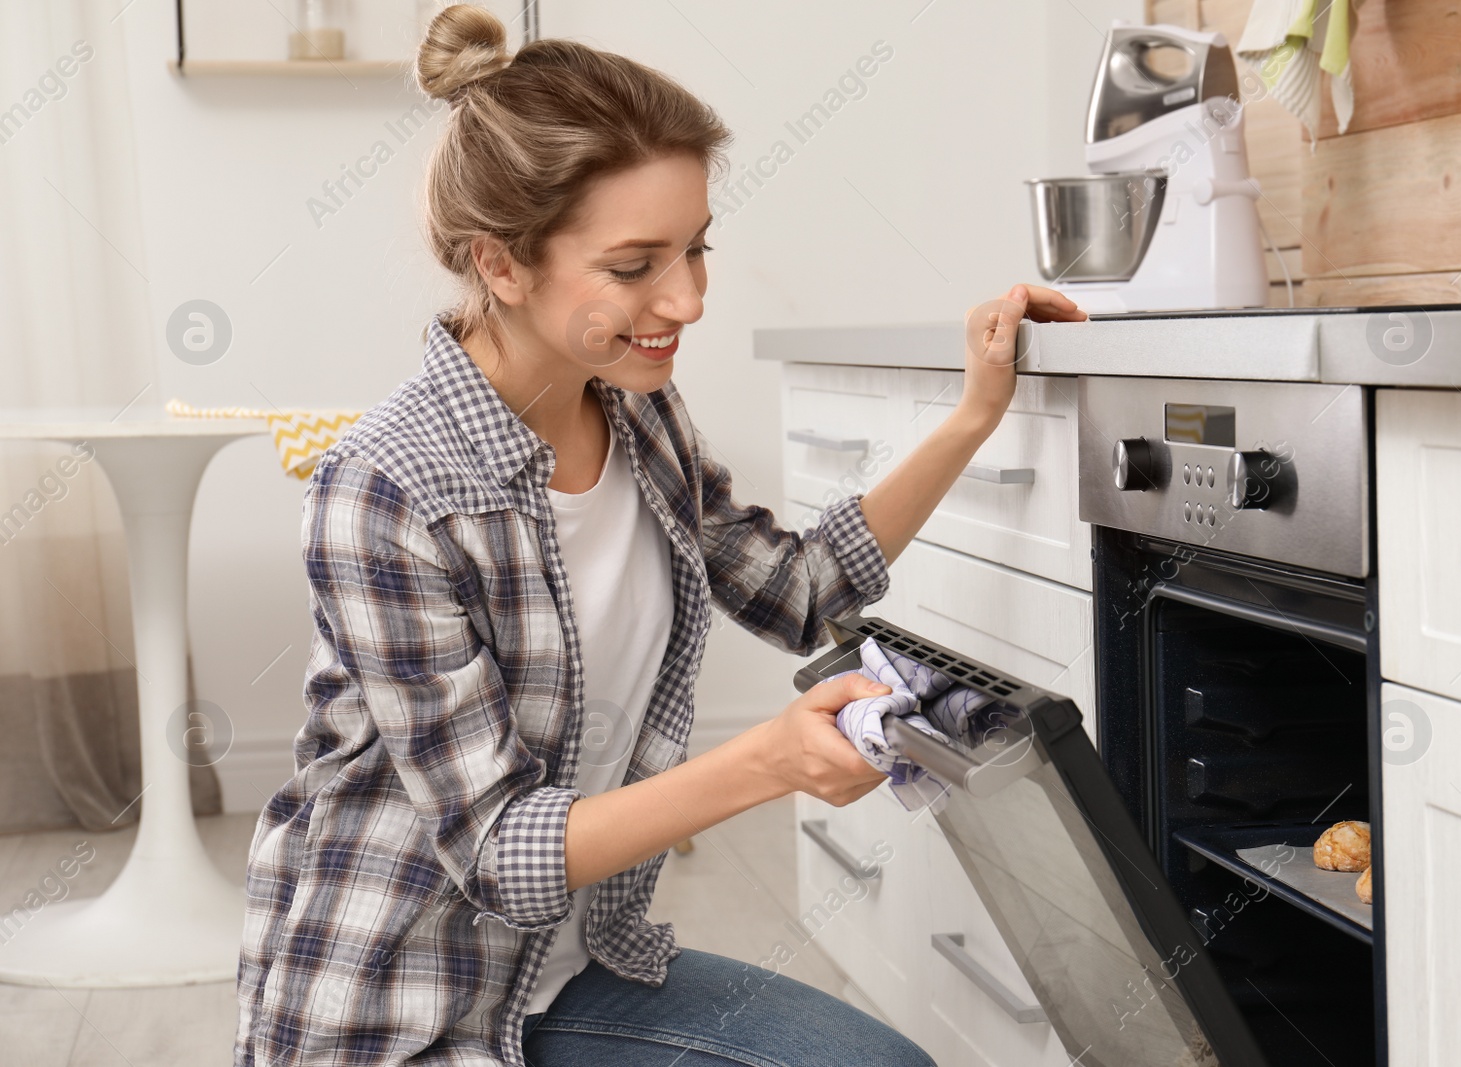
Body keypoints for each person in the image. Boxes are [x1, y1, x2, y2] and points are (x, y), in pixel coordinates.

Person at [232, 6, 1085, 1066]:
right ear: (501, 264)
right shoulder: (387, 491)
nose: (683, 298)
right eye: (634, 265)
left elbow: (801, 586)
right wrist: (770, 760)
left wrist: (972, 415)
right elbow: (497, 848)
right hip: (402, 1010)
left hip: (575, 963)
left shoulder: (637, 415)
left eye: (695, 248)